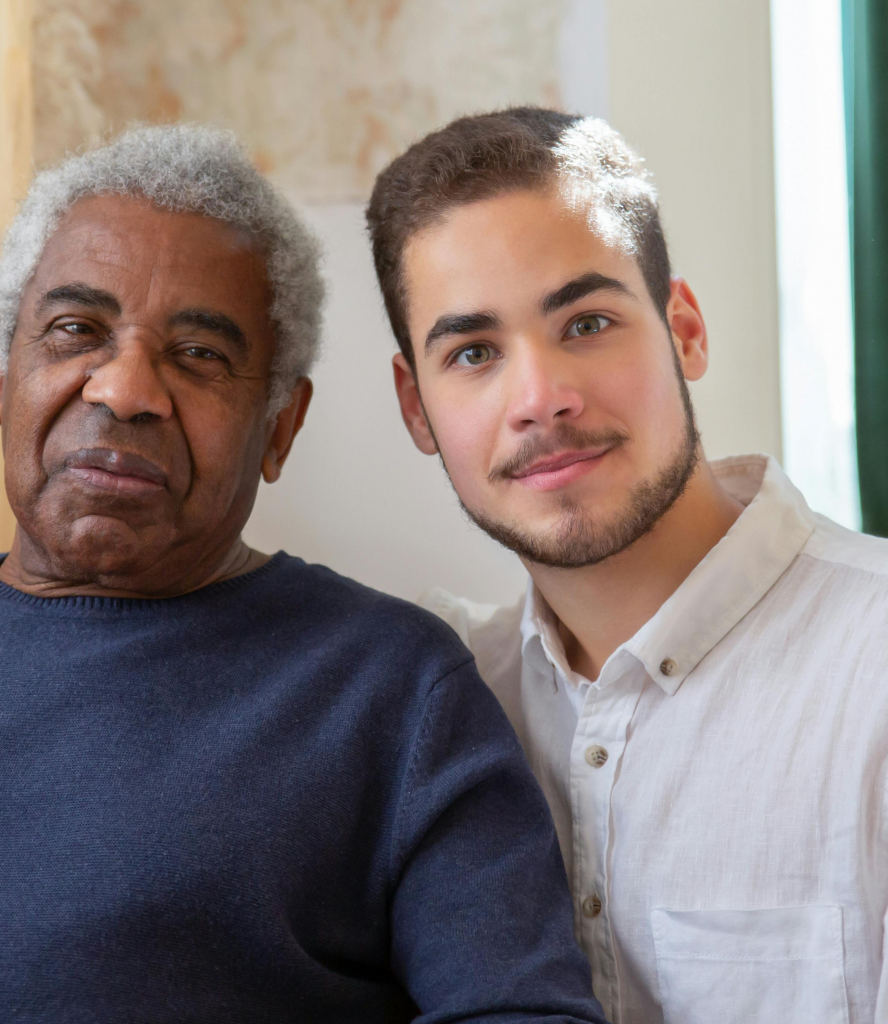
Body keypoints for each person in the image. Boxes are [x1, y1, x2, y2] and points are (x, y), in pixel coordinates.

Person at [0, 125, 606, 1024]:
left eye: (198, 355)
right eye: (75, 331)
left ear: (281, 428)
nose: (123, 389)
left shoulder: (391, 688)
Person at [365, 106, 888, 1024]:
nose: (541, 400)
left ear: (683, 329)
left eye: (587, 322)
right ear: (416, 408)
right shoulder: (444, 707)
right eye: (474, 352)